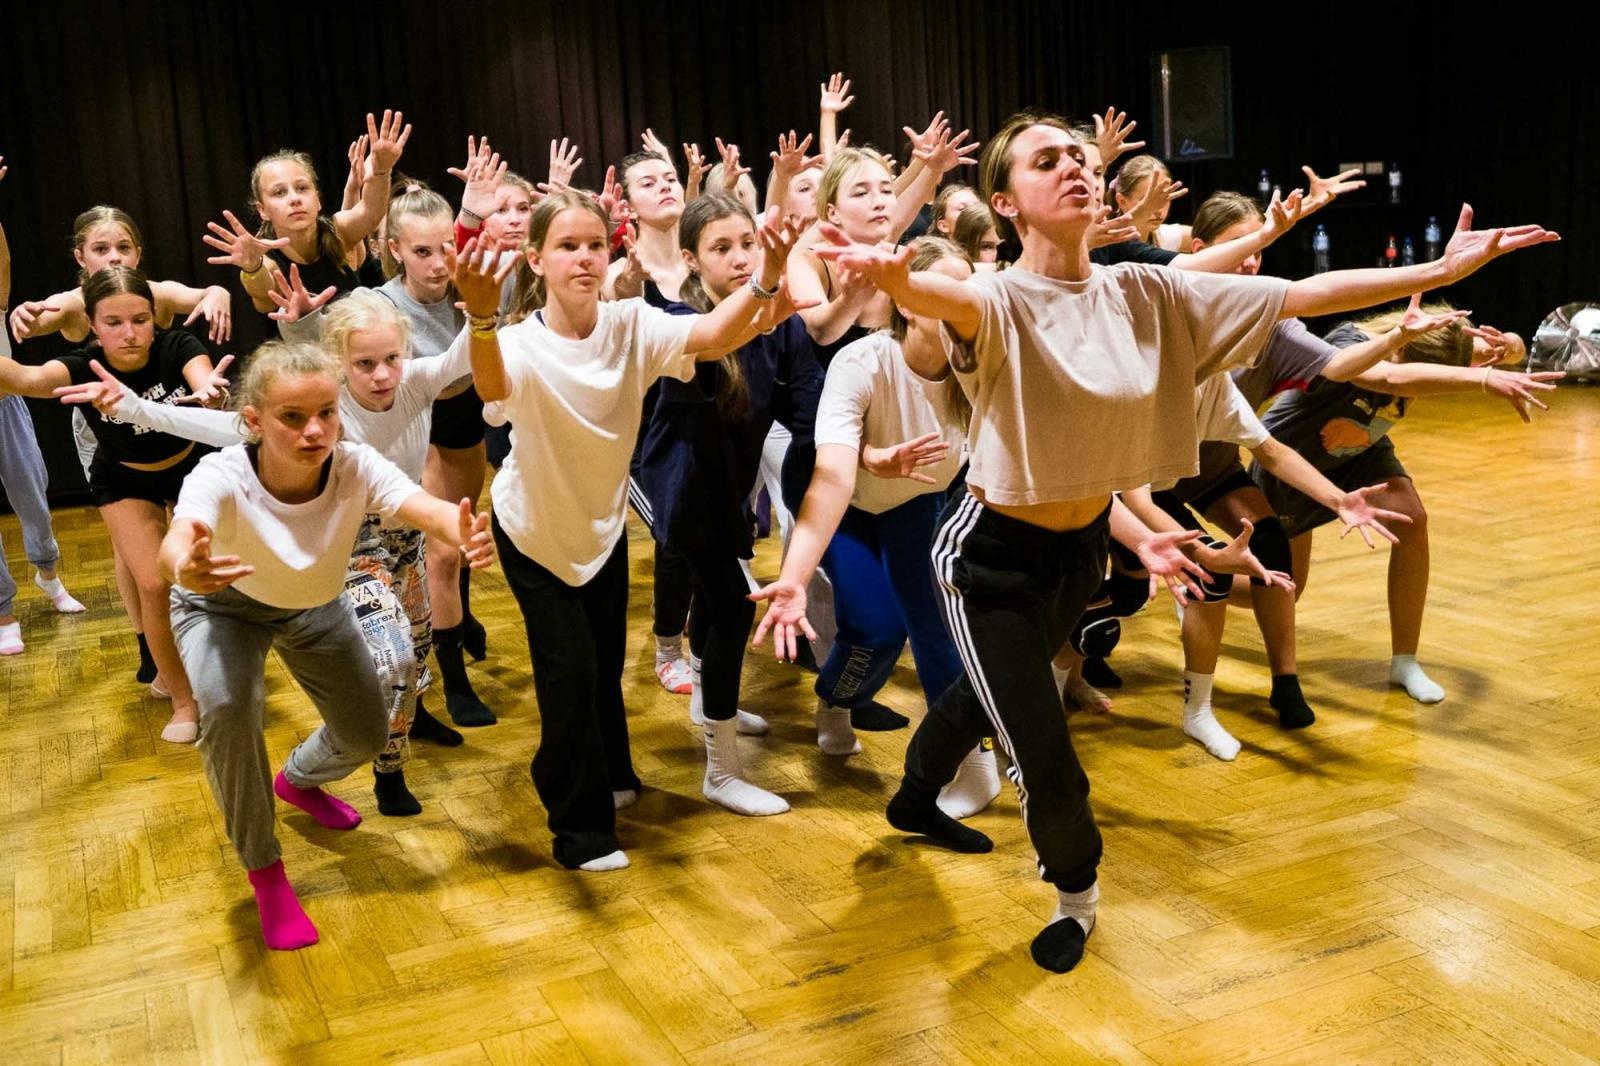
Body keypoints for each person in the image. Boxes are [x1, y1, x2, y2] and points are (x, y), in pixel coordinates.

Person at [787, 112, 1557, 973]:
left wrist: (1442, 271)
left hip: (1082, 547)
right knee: (1042, 747)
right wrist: (903, 282)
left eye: (1078, 156)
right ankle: (1077, 897)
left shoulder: (1145, 291)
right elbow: (944, 300)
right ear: (1006, 203)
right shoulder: (994, 298)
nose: (1074, 167)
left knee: (984, 696)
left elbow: (1304, 295)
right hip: (987, 559)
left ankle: (914, 796)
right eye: (1047, 161)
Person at [475, 188, 806, 872]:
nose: (584, 258)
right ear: (535, 259)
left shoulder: (632, 323)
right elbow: (489, 388)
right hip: (531, 529)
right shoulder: (515, 342)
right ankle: (579, 830)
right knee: (568, 674)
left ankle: (614, 775)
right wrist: (480, 318)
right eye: (567, 246)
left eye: (595, 245)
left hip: (599, 526)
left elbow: (714, 336)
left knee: (600, 666)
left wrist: (769, 276)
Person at [153, 339, 493, 950]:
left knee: (367, 734)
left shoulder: (355, 465)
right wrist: (186, 566)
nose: (315, 430)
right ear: (254, 420)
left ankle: (299, 780)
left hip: (313, 604)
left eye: (327, 413)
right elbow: (179, 539)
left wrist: (460, 529)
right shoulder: (223, 472)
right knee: (228, 710)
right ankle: (266, 872)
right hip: (222, 607)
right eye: (293, 417)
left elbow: (421, 507)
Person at [752, 236, 1001, 817]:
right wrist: (794, 578)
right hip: (843, 502)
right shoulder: (862, 361)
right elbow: (832, 478)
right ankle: (836, 699)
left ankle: (974, 765)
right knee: (875, 629)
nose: (962, 302)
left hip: (916, 501)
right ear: (908, 302)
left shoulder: (984, 367)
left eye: (969, 290)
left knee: (939, 628)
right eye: (943, 289)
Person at [1254, 305, 1559, 705]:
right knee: (1286, 588)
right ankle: (1210, 579)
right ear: (1403, 347)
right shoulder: (1346, 344)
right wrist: (1484, 379)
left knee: (1412, 519)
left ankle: (1405, 662)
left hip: (1361, 452)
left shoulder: (1445, 342)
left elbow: (1511, 351)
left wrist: (1509, 346)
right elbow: (1391, 378)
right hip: (1293, 462)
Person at [635, 193, 823, 813]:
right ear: (691, 259)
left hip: (725, 487)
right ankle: (720, 771)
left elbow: (806, 410)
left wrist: (865, 456)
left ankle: (705, 699)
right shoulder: (680, 319)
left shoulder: (782, 324)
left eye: (748, 244)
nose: (741, 258)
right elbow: (711, 363)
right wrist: (766, 297)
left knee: (716, 607)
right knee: (734, 608)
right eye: (722, 248)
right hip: (679, 485)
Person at [0, 266, 229, 742]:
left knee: (212, 581)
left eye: (140, 320)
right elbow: (25, 377)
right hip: (125, 478)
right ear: (92, 324)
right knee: (154, 583)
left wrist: (211, 394)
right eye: (114, 323)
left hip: (190, 469)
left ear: (154, 317)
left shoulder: (176, 346)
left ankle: (213, 671)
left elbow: (204, 381)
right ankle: (182, 701)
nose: (129, 333)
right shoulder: (82, 365)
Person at [204, 109, 410, 317]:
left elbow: (370, 212)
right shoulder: (266, 258)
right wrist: (252, 267)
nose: (294, 199)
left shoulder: (338, 231)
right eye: (279, 192)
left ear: (318, 200)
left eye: (302, 188)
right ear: (262, 210)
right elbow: (262, 293)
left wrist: (381, 170)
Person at [0, 157, 86, 653]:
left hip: (5, 407)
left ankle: (48, 574)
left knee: (33, 496)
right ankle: (2, 609)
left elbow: (3, 268)